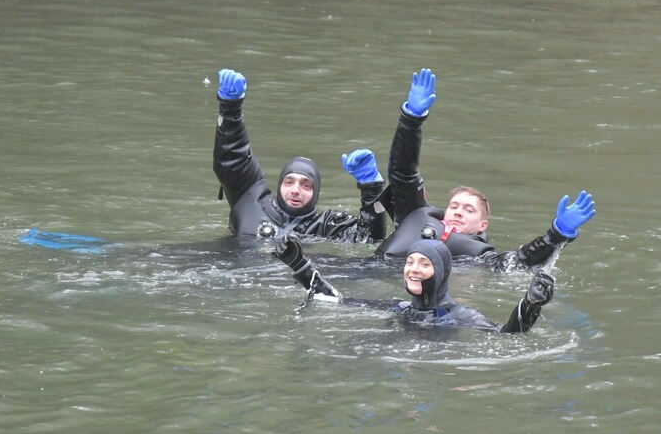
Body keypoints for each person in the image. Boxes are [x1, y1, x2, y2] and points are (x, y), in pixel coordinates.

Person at [376, 68, 596, 271]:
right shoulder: (416, 213)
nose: (458, 211)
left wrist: (557, 234)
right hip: (359, 270)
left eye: (469, 210)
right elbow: (402, 171)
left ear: (482, 225)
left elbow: (521, 261)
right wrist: (411, 119)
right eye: (454, 206)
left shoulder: (479, 254)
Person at [213, 68, 389, 242]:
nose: (296, 190)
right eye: (289, 182)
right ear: (280, 184)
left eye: (306, 186)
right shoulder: (252, 202)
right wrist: (230, 110)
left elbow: (370, 237)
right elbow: (232, 160)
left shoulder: (326, 225)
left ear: (316, 193)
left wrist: (371, 187)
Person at [275, 235, 555, 333]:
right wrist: (298, 263)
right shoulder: (400, 308)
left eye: (424, 264)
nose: (413, 270)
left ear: (441, 272)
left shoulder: (460, 316)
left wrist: (529, 304)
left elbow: (507, 335)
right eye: (410, 263)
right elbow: (334, 299)